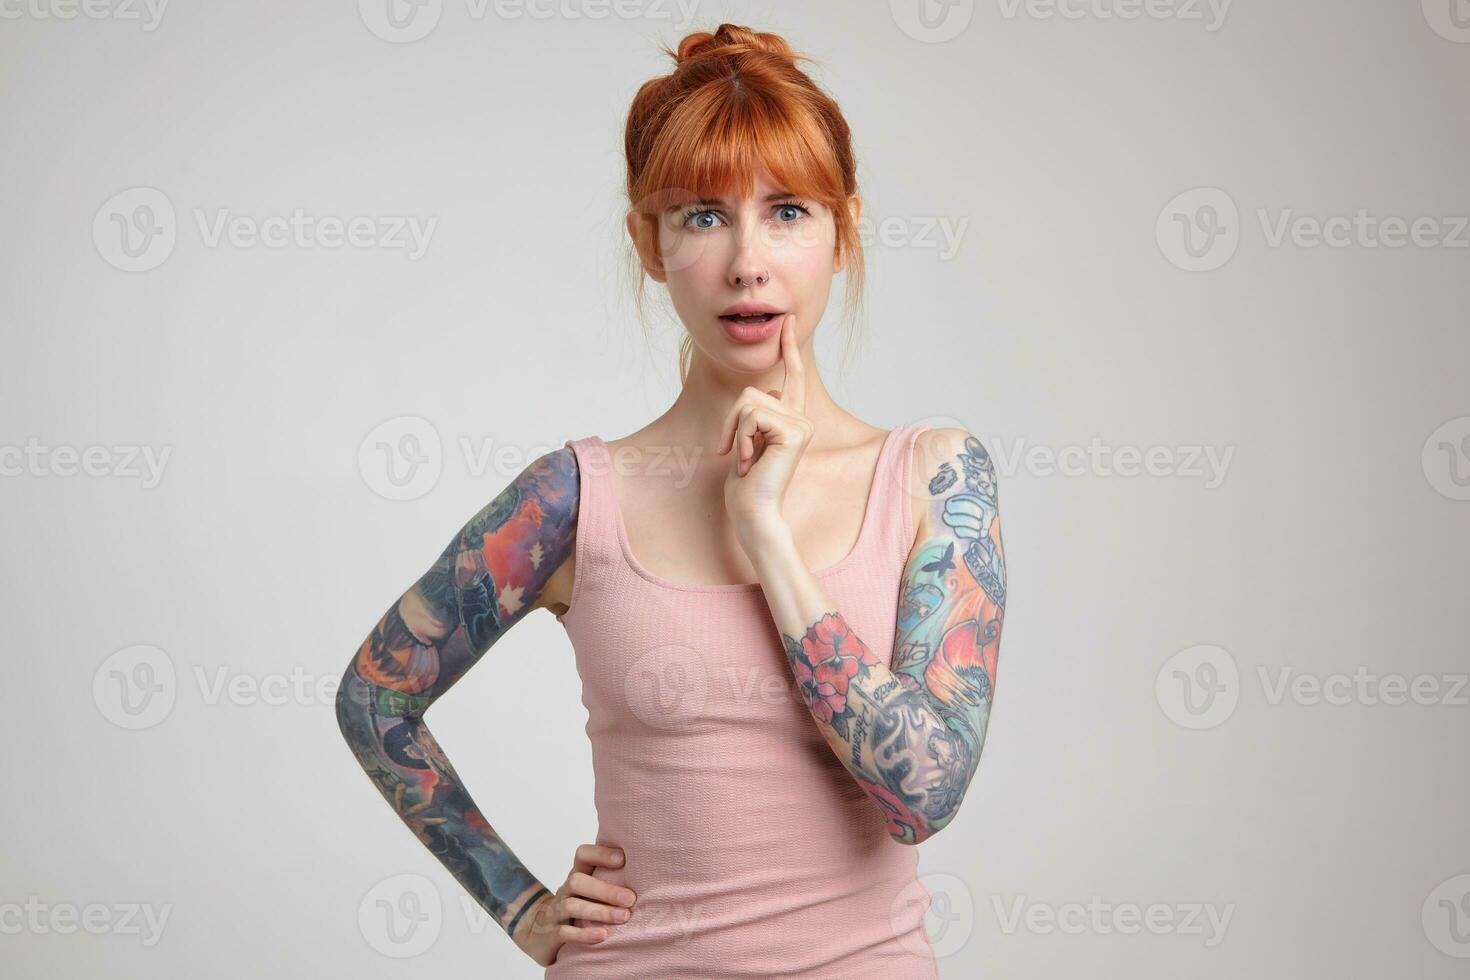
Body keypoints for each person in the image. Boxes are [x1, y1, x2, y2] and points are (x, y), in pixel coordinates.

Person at [334, 23, 1005, 978]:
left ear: (843, 232)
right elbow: (376, 696)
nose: (746, 262)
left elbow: (922, 795)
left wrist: (764, 537)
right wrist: (521, 905)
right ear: (647, 241)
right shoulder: (572, 499)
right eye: (700, 215)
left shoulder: (935, 477)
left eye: (789, 212)